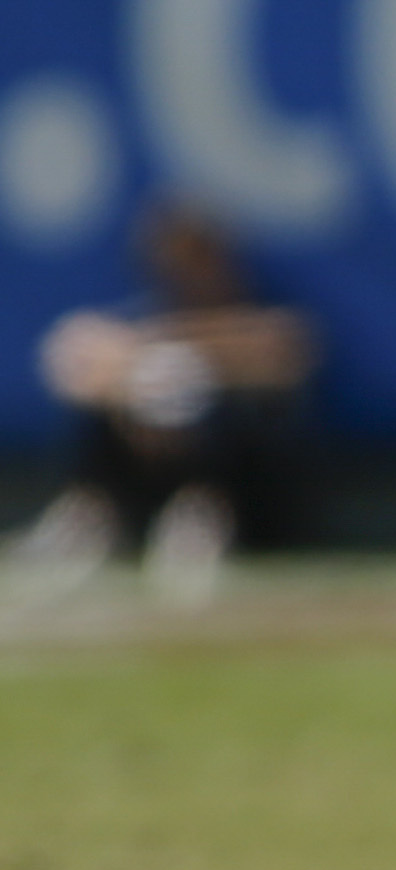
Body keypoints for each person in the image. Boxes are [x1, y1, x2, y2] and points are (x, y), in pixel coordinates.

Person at [20, 198, 317, 597]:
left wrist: (171, 353)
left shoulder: (258, 315)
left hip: (243, 488)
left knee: (184, 379)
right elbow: (73, 364)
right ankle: (94, 516)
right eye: (177, 257)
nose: (189, 270)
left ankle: (201, 516)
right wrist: (140, 373)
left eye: (199, 256)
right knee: (153, 384)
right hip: (143, 480)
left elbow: (281, 351)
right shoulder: (139, 319)